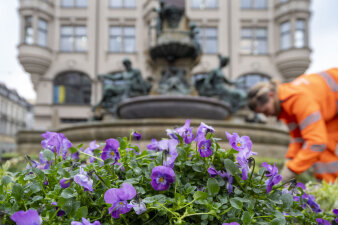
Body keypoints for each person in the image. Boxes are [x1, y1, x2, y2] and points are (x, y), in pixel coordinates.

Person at [247, 68, 338, 183]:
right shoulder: (286, 106)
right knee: (325, 152)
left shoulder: (297, 99)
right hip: (333, 112)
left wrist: (290, 170)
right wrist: (289, 160)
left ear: (270, 95)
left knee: (319, 145)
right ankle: (331, 189)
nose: (267, 116)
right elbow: (298, 139)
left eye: (266, 111)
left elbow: (316, 142)